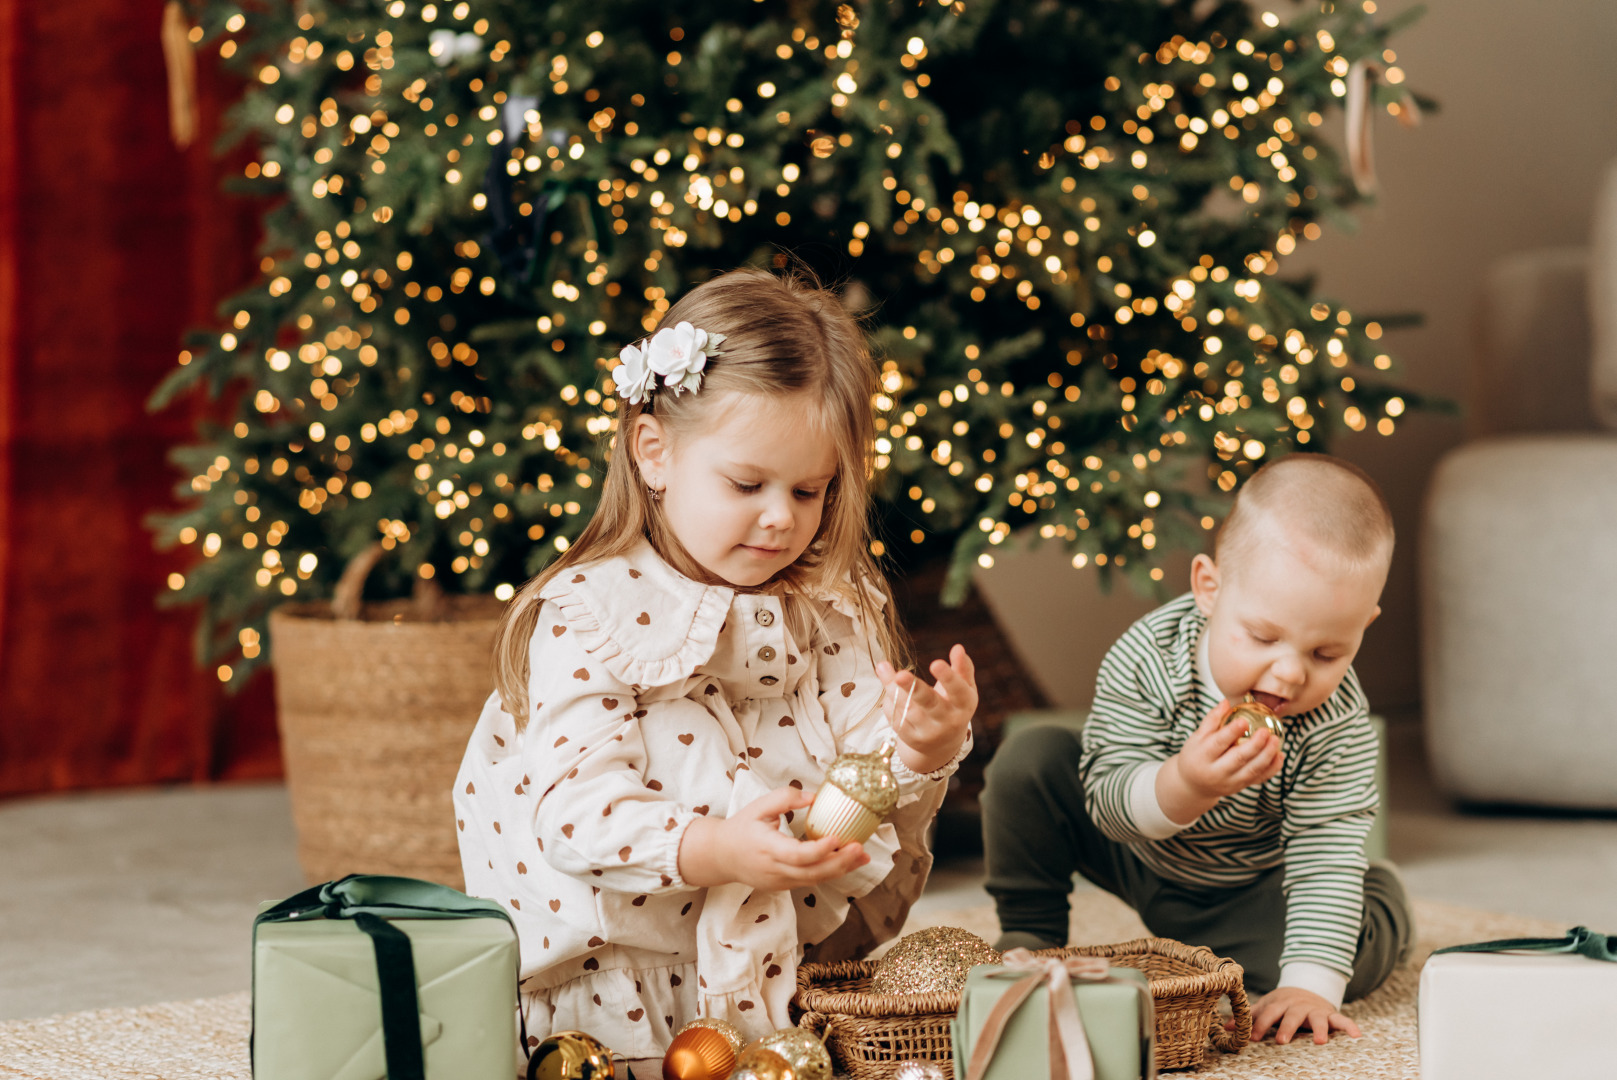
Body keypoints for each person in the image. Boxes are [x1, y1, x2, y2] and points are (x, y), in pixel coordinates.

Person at [454, 267, 977, 1065]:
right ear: (654, 452)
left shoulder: (831, 602)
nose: (781, 518)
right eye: (746, 483)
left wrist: (918, 749)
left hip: (785, 961)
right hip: (621, 977)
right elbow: (576, 813)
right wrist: (712, 850)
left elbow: (857, 783)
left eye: (810, 491)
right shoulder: (589, 617)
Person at [982, 454, 1414, 1048]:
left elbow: (1323, 849)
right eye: (1263, 637)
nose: (1288, 675)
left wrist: (1310, 986)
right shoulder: (1148, 657)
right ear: (1208, 589)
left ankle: (1382, 902)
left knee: (1336, 965)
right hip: (1131, 850)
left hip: (1247, 884)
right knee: (1029, 762)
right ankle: (1030, 931)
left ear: (1364, 624)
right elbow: (1105, 799)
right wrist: (1185, 784)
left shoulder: (1335, 719)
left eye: (1326, 654)